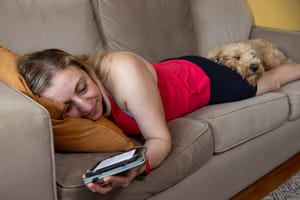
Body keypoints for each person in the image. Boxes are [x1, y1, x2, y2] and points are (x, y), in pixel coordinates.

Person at [17, 49, 300, 194]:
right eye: (68, 106)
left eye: (82, 88)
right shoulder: (71, 112)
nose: (86, 106)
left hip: (201, 79)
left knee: (267, 82)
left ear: (84, 68)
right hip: (166, 71)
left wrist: (136, 167)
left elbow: (160, 141)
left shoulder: (123, 74)